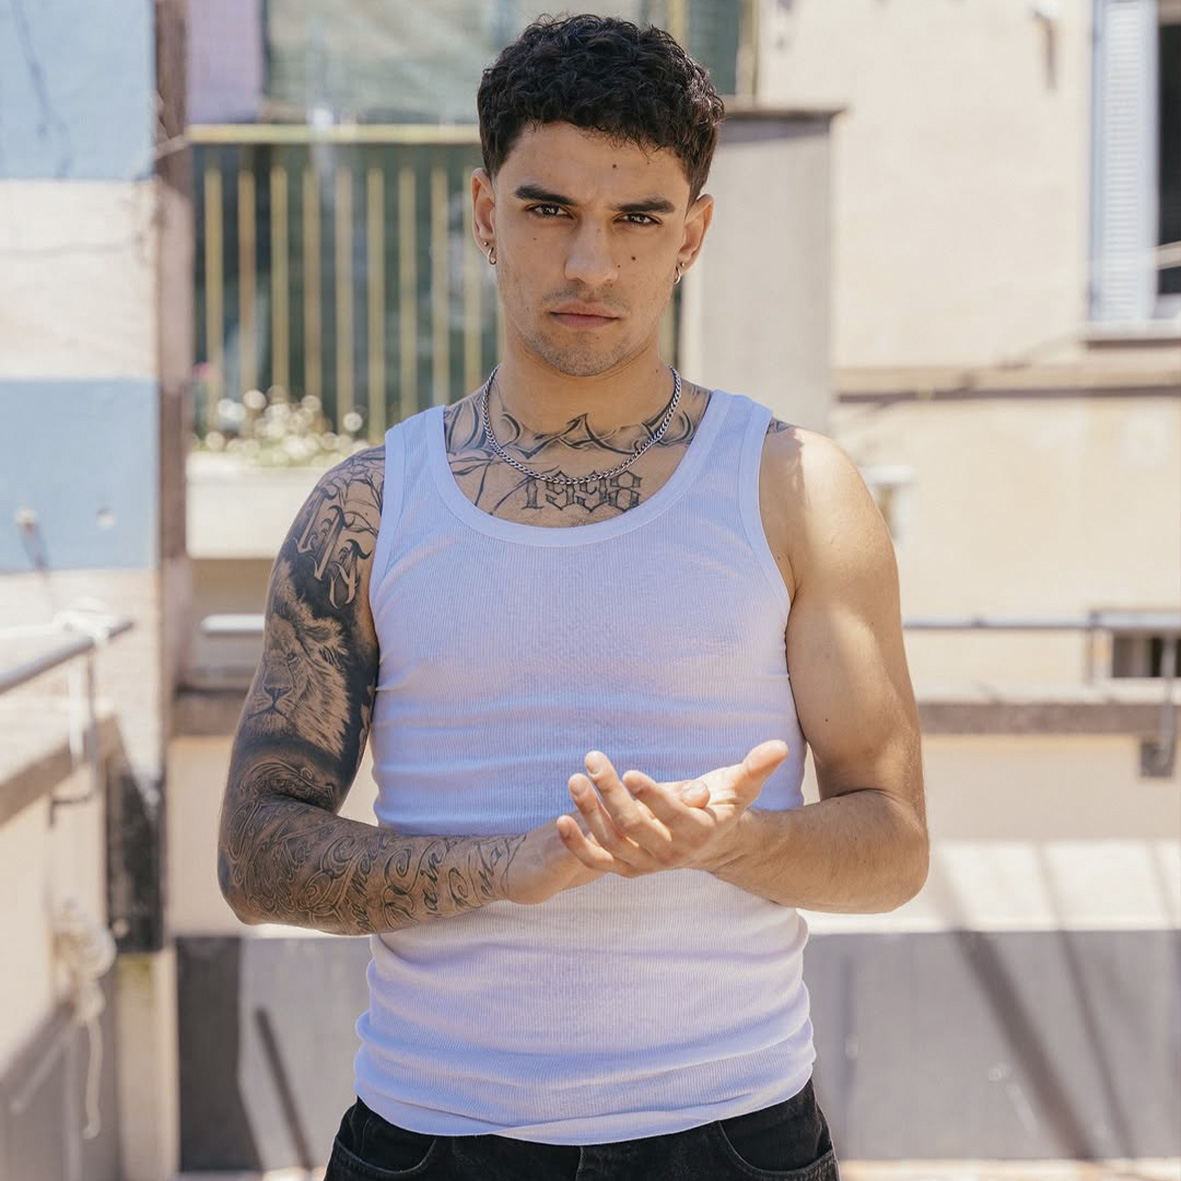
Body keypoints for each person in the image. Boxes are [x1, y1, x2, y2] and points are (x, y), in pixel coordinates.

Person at [218, 14, 927, 1180]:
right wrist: (502, 866)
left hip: (731, 1133)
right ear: (484, 212)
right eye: (548, 209)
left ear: (691, 234)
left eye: (636, 217)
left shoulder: (796, 490)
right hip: (431, 1135)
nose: (591, 263)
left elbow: (892, 844)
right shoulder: (368, 507)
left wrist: (734, 841)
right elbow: (255, 855)